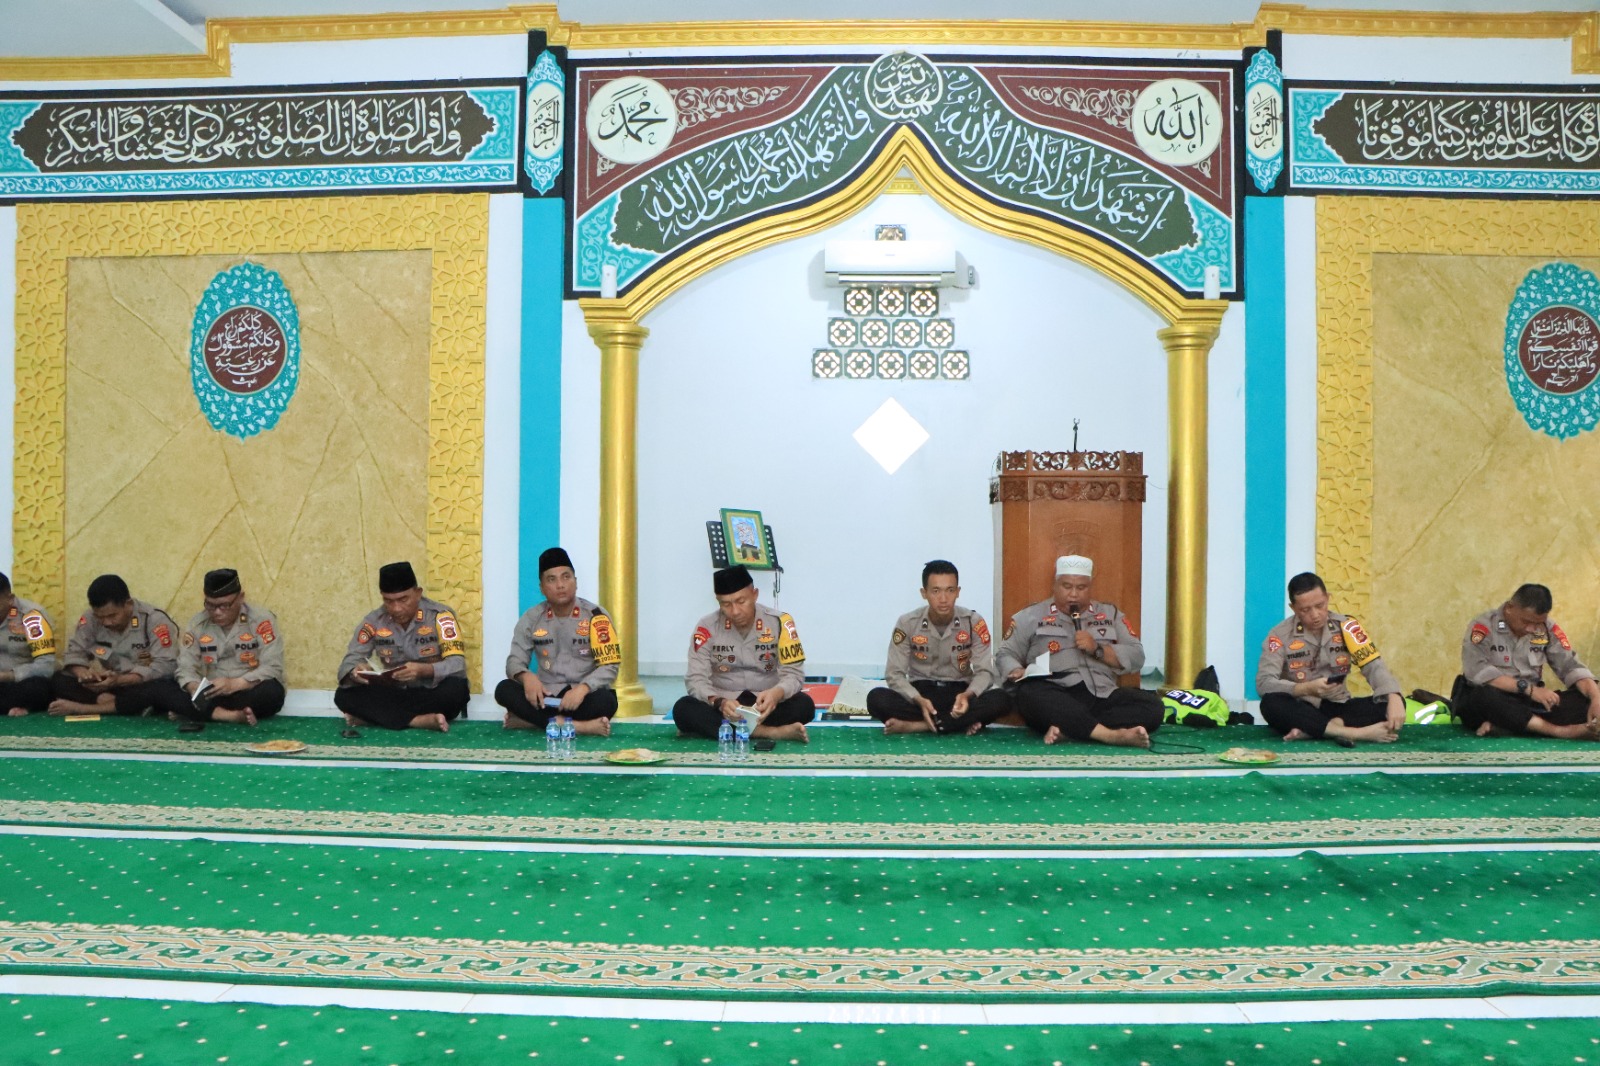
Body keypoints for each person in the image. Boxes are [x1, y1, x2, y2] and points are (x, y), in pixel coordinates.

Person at [995, 555, 1162, 748]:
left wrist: (1098, 649)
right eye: (1067, 586)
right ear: (1055, 585)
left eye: (1081, 588)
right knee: (1029, 694)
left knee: (1153, 707)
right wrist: (1015, 670)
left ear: (1090, 588)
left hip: (1101, 693)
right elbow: (1005, 653)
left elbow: (1137, 656)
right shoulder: (1030, 616)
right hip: (1055, 692)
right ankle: (1109, 735)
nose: (1073, 594)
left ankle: (1071, 729)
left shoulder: (1110, 614)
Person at [1255, 572, 1404, 744]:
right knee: (1270, 703)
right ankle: (1354, 733)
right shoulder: (1278, 635)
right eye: (1305, 610)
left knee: (1393, 701)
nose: (1315, 614)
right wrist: (1305, 689)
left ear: (1328, 598)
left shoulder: (1347, 626)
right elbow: (1264, 683)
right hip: (1303, 707)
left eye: (1320, 605)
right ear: (1293, 608)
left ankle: (1321, 729)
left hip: (1339, 706)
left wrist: (1393, 696)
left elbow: (1373, 665)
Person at [867, 559, 1010, 735]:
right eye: (936, 591)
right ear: (924, 593)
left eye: (950, 590)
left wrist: (968, 695)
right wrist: (917, 699)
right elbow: (894, 673)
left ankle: (918, 726)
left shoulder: (973, 622)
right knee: (876, 699)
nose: (943, 599)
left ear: (958, 592)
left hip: (959, 694)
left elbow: (985, 672)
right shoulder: (907, 623)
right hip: (920, 694)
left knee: (1002, 699)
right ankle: (956, 724)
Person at [674, 565, 812, 744]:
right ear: (718, 602)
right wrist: (719, 702)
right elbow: (695, 678)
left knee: (805, 705)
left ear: (755, 595)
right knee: (683, 708)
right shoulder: (706, 627)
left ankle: (727, 731)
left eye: (741, 601)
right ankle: (768, 732)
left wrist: (777, 693)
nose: (735, 611)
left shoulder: (780, 623)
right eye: (726, 604)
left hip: (765, 706)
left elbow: (794, 674)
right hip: (725, 706)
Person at [496, 547, 620, 735]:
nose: (560, 585)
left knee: (607, 701)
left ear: (575, 582)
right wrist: (527, 677)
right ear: (542, 588)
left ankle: (533, 722)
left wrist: (583, 689)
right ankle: (578, 726)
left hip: (582, 697)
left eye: (566, 577)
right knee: (504, 690)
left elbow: (610, 665)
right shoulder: (531, 618)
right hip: (546, 697)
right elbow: (514, 661)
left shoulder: (596, 616)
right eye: (551, 579)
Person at [1453, 583, 1600, 741]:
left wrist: (1596, 699)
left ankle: (1511, 727)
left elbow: (1570, 666)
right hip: (1496, 699)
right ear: (1510, 608)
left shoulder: (1547, 628)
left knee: (1591, 691)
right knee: (1480, 696)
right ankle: (1559, 731)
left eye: (1538, 623)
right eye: (1526, 621)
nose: (1532, 629)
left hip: (1528, 704)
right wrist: (1529, 690)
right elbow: (1476, 672)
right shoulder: (1483, 626)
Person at [334, 561, 468, 732]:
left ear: (418, 593)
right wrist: (355, 672)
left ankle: (378, 717)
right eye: (388, 601)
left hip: (430, 691)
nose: (396, 608)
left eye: (403, 599)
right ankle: (419, 721)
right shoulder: (374, 621)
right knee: (343, 696)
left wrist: (424, 670)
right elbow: (349, 661)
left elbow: (457, 664)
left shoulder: (440, 616)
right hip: (394, 692)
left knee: (456, 690)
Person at [164, 568, 285, 727]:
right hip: (212, 694)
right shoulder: (198, 623)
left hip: (246, 691)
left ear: (241, 598)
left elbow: (273, 666)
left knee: (273, 691)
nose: (217, 612)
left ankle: (198, 713)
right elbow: (185, 667)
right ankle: (232, 716)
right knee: (165, 687)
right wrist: (194, 687)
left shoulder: (261, 620)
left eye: (225, 605)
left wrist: (234, 684)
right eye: (210, 605)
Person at [48, 574, 180, 716]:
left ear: (128, 604)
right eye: (100, 617)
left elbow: (166, 665)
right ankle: (111, 702)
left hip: (139, 683)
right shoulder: (90, 618)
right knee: (59, 680)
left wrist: (120, 680)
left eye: (112, 616)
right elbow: (74, 653)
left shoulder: (155, 620)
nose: (106, 622)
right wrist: (85, 675)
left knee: (160, 689)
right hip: (109, 685)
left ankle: (85, 708)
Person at [0, 571, 58, 716]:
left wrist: (7, 676)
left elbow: (46, 666)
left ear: (10, 599)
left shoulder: (32, 616)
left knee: (38, 688)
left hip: (21, 682)